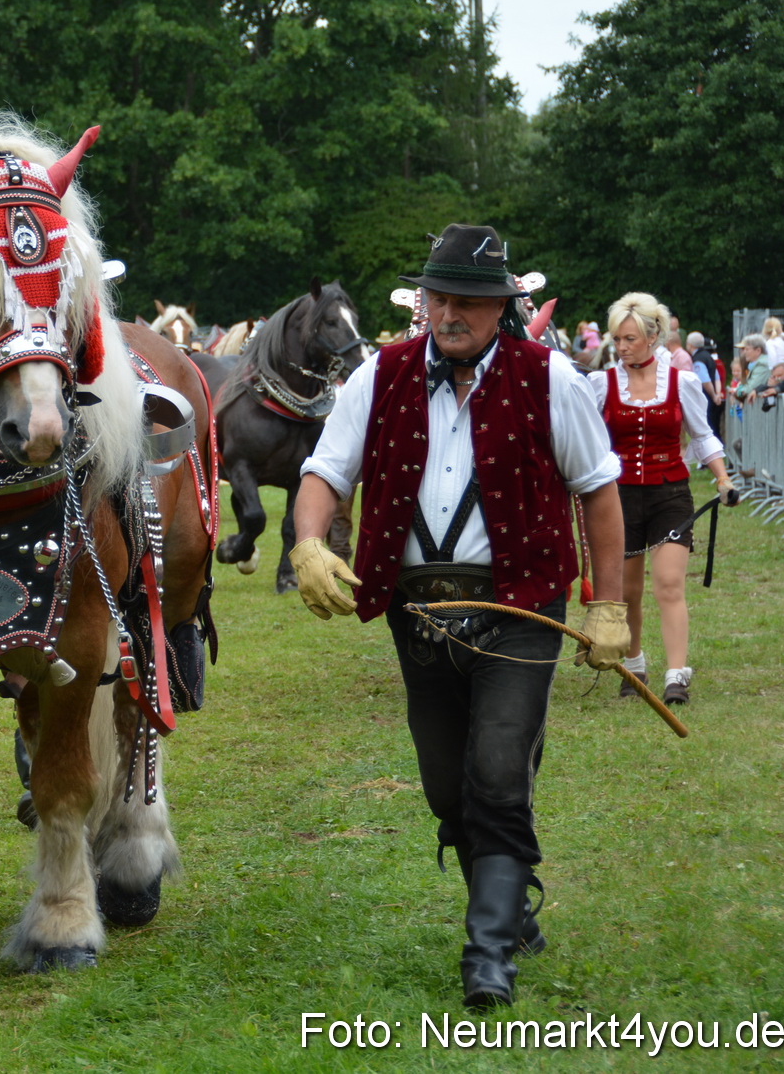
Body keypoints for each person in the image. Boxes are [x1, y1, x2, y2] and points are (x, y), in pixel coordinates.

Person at [291, 224, 628, 1011]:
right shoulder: (382, 374)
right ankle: (507, 901)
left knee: (500, 771)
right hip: (417, 614)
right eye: (440, 297)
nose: (451, 313)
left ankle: (488, 955)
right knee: (449, 787)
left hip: (521, 603)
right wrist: (309, 539)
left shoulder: (554, 380)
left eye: (470, 301)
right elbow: (323, 472)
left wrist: (609, 605)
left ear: (501, 306)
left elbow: (601, 492)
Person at [592, 294, 740, 705]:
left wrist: (723, 479)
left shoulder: (681, 382)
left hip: (670, 493)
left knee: (670, 585)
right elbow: (585, 442)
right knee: (628, 590)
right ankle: (634, 664)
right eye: (617, 339)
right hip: (618, 497)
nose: (621, 348)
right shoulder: (601, 383)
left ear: (653, 338)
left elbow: (702, 434)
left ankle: (677, 674)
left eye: (630, 340)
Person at [685, 333, 726, 440]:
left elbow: (705, 381)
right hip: (712, 398)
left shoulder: (698, 359)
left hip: (706, 399)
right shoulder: (708, 356)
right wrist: (717, 394)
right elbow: (716, 377)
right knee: (715, 427)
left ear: (690, 345)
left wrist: (713, 396)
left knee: (709, 428)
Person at [732, 335, 770, 403]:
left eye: (747, 349)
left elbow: (750, 388)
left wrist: (738, 392)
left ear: (758, 350)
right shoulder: (757, 364)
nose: (744, 352)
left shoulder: (762, 365)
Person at [761, 317, 784, 388]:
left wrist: (772, 370)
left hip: (776, 370)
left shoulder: (769, 342)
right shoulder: (782, 341)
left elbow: (773, 357)